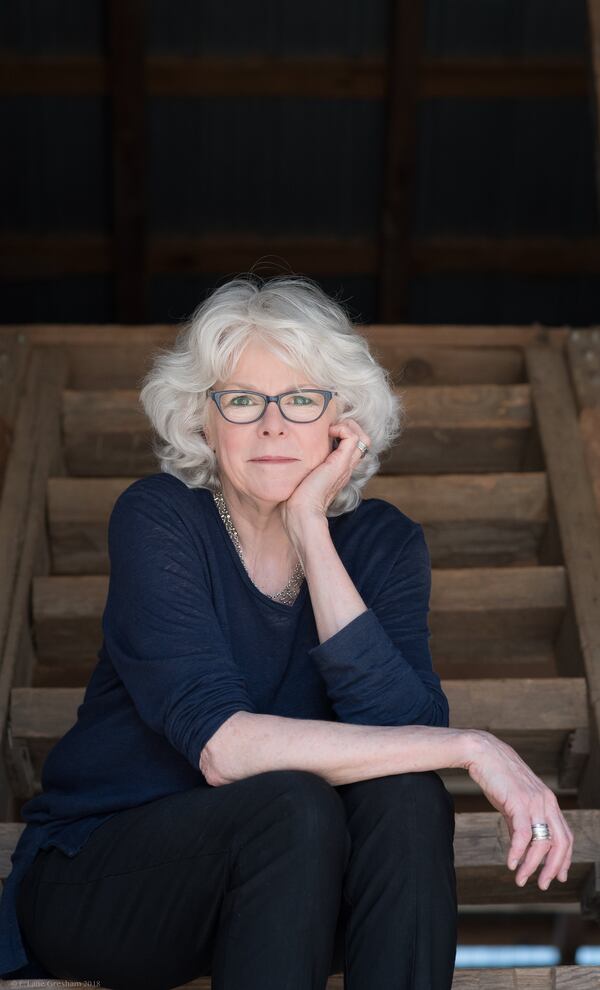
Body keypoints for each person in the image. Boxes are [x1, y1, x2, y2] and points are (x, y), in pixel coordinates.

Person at [1, 275, 573, 990]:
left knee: (409, 797)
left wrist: (309, 526)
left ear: (343, 419)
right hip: (108, 885)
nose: (272, 425)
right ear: (201, 421)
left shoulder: (383, 545)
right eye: (242, 400)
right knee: (292, 802)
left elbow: (402, 727)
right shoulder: (159, 519)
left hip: (292, 892)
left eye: (301, 399)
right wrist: (474, 746)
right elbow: (224, 749)